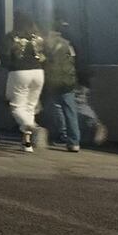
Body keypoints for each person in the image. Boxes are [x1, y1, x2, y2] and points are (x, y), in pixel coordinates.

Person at [3, 13, 46, 153]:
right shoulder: (37, 36)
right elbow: (44, 56)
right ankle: (27, 143)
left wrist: (9, 65)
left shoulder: (12, 36)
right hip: (38, 73)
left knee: (16, 107)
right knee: (30, 107)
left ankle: (32, 126)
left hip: (20, 72)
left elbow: (5, 56)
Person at [42, 21, 80, 152]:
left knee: (55, 107)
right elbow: (74, 60)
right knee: (70, 111)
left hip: (52, 81)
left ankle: (61, 135)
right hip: (67, 81)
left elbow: (41, 60)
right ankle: (74, 142)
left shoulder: (45, 43)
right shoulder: (68, 44)